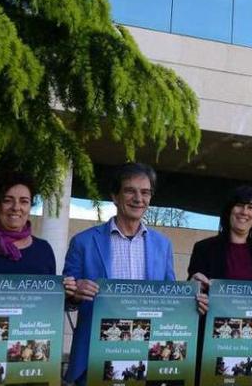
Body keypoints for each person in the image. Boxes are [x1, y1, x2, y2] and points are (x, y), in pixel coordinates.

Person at [63, 163, 207, 385]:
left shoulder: (163, 245)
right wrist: (75, 291)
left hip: (147, 355)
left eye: (145, 192)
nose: (138, 198)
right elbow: (66, 297)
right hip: (95, 356)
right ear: (115, 196)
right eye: (130, 191)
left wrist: (191, 296)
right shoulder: (83, 242)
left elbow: (169, 299)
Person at [188, 185, 252, 384]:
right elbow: (193, 295)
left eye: (251, 207)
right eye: (239, 205)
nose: (245, 212)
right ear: (229, 210)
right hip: (213, 344)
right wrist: (193, 288)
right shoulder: (204, 248)